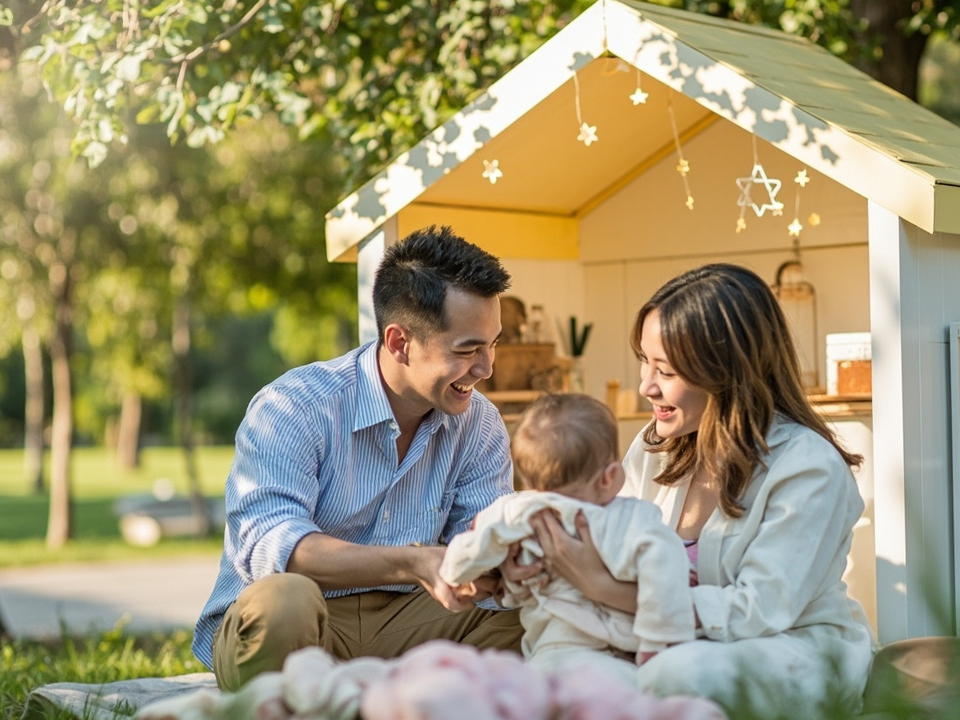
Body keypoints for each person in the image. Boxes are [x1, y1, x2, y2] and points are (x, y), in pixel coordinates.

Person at [519, 263, 876, 715]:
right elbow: (601, 534)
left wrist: (602, 587)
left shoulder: (808, 468)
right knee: (558, 672)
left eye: (664, 371)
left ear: (726, 373)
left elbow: (758, 611)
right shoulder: (656, 446)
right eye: (644, 362)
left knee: (678, 675)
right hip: (655, 640)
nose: (646, 385)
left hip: (786, 647)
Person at [193, 225, 524, 691]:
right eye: (467, 350)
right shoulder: (293, 405)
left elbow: (475, 545)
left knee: (545, 616)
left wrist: (507, 560)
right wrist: (412, 563)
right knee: (284, 601)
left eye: (492, 344)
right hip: (305, 623)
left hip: (415, 621)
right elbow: (274, 549)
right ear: (398, 342)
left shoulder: (480, 423)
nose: (487, 368)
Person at [439, 393, 694, 685]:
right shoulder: (633, 517)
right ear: (610, 476)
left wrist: (455, 574)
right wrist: (657, 641)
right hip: (625, 652)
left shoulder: (517, 511)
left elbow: (469, 548)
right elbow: (666, 568)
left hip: (553, 650)